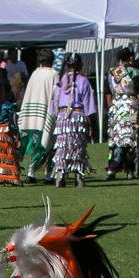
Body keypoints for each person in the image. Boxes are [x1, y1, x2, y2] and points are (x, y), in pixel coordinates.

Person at [50, 53, 96, 187]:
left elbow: (54, 104)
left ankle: (60, 176)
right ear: (80, 65)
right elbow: (88, 106)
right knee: (77, 147)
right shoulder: (83, 81)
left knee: (62, 148)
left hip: (62, 118)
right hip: (77, 117)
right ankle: (78, 178)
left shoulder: (60, 81)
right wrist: (90, 123)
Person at [18, 48, 60, 184]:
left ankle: (31, 172)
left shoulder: (35, 74)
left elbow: (29, 95)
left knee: (35, 143)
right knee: (49, 143)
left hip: (33, 116)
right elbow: (56, 96)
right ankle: (48, 174)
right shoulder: (53, 74)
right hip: (47, 113)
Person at [105, 47, 139, 181]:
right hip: (131, 105)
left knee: (115, 139)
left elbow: (107, 93)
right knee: (130, 139)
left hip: (115, 106)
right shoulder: (135, 73)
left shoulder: (111, 73)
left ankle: (111, 169)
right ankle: (130, 170)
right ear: (131, 57)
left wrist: (111, 107)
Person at [0, 72, 21, 185]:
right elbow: (13, 121)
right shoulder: (8, 103)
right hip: (5, 130)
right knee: (9, 153)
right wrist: (16, 134)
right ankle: (12, 177)